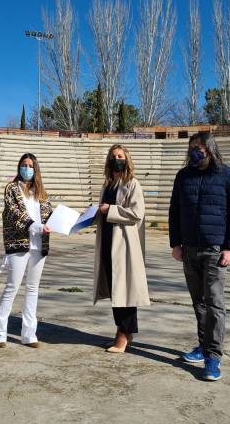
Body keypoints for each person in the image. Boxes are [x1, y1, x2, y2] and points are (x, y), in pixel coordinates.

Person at [169, 132, 230, 381]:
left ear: (210, 150)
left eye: (199, 148)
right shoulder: (183, 176)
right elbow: (174, 211)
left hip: (215, 250)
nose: (194, 151)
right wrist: (176, 244)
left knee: (214, 304)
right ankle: (203, 347)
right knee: (199, 303)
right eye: (191, 147)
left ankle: (213, 356)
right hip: (189, 249)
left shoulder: (226, 175)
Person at [0, 153, 53, 348]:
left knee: (33, 289)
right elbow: (12, 213)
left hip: (39, 245)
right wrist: (35, 226)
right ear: (19, 167)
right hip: (19, 243)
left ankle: (29, 334)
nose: (27, 168)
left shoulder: (41, 193)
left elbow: (49, 214)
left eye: (30, 165)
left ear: (36, 169)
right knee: (12, 287)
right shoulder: (11, 188)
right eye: (24, 165)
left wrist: (62, 222)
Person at [94, 144, 150, 353]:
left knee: (125, 291)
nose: (116, 159)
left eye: (120, 156)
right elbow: (103, 211)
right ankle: (125, 331)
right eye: (113, 156)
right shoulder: (107, 185)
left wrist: (111, 209)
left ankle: (123, 335)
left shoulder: (132, 184)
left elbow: (136, 213)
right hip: (107, 242)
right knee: (116, 290)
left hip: (124, 244)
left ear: (127, 160)